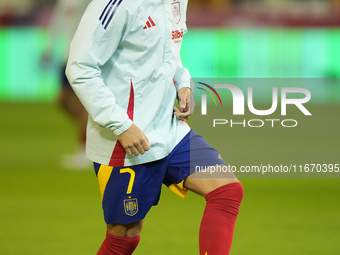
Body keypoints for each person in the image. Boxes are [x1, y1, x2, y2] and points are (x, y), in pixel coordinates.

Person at [66, 0, 244, 254]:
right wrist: (121, 125)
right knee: (123, 239)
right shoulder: (115, 5)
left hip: (170, 129)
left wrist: (184, 84)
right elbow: (80, 67)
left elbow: (170, 55)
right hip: (125, 142)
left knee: (227, 191)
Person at [41, 0, 92, 170]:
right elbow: (58, 23)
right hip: (67, 55)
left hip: (84, 56)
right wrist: (49, 48)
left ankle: (85, 150)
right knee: (62, 101)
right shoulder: (64, 2)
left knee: (84, 105)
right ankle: (93, 131)